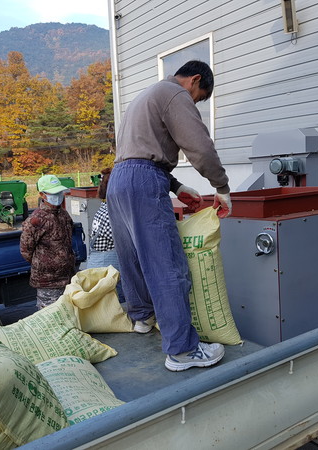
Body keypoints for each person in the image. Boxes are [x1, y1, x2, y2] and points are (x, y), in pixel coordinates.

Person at [106, 60, 233, 372]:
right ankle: (182, 350)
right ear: (194, 80)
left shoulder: (145, 96)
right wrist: (222, 186)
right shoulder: (175, 94)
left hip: (118, 181)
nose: (195, 103)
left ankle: (143, 318)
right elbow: (200, 147)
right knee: (166, 263)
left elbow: (137, 153)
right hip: (143, 178)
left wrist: (176, 186)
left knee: (134, 257)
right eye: (199, 97)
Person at [20, 174, 76, 310]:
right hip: (47, 281)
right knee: (50, 315)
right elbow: (26, 250)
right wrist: (46, 263)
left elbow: (68, 240)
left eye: (59, 192)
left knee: (68, 313)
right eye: (53, 193)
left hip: (67, 277)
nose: (58, 196)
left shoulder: (64, 215)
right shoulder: (36, 220)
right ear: (42, 195)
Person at [86, 168, 125, 302]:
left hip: (98, 265)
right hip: (106, 268)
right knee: (112, 303)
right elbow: (123, 239)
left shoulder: (104, 208)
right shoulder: (112, 213)